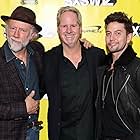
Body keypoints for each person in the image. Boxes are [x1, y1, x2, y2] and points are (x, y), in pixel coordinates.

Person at [42, 6, 105, 140]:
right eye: (64, 26)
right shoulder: (48, 60)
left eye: (73, 25)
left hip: (92, 135)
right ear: (58, 29)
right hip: (61, 135)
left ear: (80, 28)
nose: (69, 30)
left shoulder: (97, 56)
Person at [0, 6, 44, 140]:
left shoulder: (37, 52)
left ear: (32, 35)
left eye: (22, 30)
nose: (16, 34)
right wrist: (23, 108)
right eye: (13, 28)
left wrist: (80, 45)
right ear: (6, 30)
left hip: (33, 133)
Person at [95, 12, 140, 140]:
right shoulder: (103, 68)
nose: (112, 38)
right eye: (108, 33)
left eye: (118, 33)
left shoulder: (137, 67)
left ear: (129, 37)